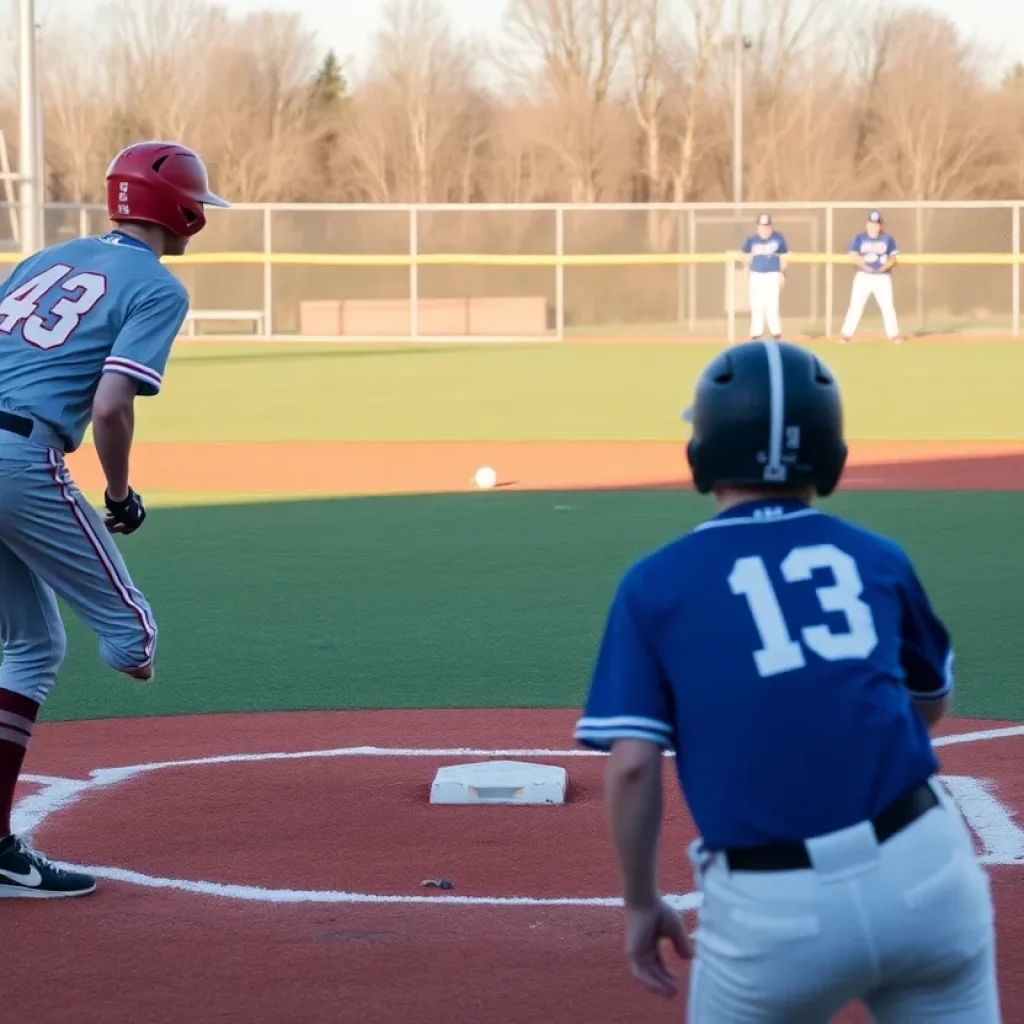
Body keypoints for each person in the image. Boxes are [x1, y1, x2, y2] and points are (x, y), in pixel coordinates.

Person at [575, 340, 998, 1022]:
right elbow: (928, 700)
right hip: (926, 874)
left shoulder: (656, 583)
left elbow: (631, 769)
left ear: (702, 453)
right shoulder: (877, 558)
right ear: (832, 456)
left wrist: (640, 901)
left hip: (776, 914)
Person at [0, 141, 228, 898]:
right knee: (133, 638)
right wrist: (121, 493)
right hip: (18, 458)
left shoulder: (44, 258)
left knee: (31, 645)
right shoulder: (157, 288)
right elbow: (110, 403)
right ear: (184, 213)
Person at [841, 210, 902, 343]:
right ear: (867, 224)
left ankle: (894, 335)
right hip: (864, 276)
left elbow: (893, 258)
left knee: (887, 306)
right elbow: (854, 255)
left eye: (877, 224)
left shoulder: (887, 239)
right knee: (856, 305)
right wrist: (864, 266)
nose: (874, 226)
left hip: (882, 277)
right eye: (872, 223)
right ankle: (846, 335)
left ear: (880, 225)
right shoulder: (859, 238)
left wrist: (884, 267)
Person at [740, 213, 788, 340]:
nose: (764, 229)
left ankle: (776, 333)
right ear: (758, 227)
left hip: (772, 274)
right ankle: (756, 333)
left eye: (767, 226)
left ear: (771, 226)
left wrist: (782, 274)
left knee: (772, 303)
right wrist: (746, 266)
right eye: (762, 226)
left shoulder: (778, 238)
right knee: (757, 304)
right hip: (756, 274)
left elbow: (784, 256)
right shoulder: (752, 240)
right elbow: (744, 256)